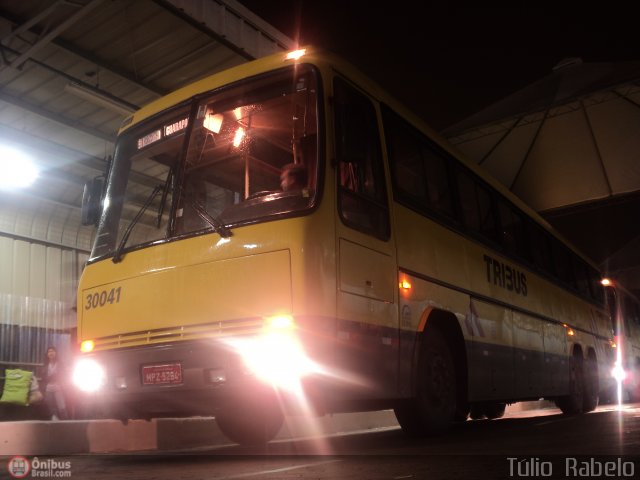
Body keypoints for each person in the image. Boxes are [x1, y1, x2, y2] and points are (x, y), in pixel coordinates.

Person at [40, 346, 69, 421]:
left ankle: (66, 424)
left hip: (58, 387)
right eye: (49, 351)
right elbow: (43, 378)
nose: (51, 353)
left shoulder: (60, 364)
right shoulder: (45, 365)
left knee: (62, 407)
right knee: (51, 408)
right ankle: (55, 423)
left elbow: (64, 375)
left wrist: (56, 376)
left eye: (52, 351)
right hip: (48, 388)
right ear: (47, 354)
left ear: (56, 353)